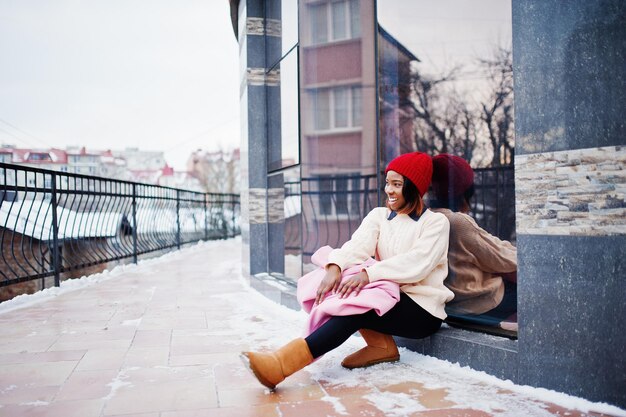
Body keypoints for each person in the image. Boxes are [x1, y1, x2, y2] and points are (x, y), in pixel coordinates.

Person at [241, 152, 454, 390]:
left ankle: (280, 365)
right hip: (390, 297)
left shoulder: (435, 223)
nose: (389, 191)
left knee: (356, 305)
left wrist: (369, 275)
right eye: (387, 183)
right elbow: (357, 246)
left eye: (397, 184)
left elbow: (418, 264)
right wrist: (335, 267)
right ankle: (381, 347)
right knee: (347, 281)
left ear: (414, 188)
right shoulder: (379, 216)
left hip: (422, 311)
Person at [429, 154, 517, 331]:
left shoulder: (428, 218)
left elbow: (490, 245)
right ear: (463, 191)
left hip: (452, 307)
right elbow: (502, 258)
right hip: (478, 306)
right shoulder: (457, 222)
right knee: (534, 283)